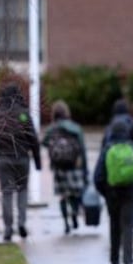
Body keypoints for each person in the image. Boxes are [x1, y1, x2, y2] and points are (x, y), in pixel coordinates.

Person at [93, 116, 133, 264]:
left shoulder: (107, 149)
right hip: (130, 195)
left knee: (114, 227)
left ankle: (114, 260)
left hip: (112, 195)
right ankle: (128, 262)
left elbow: (98, 177)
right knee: (128, 227)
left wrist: (106, 193)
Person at [0, 84, 41, 242]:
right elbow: (34, 139)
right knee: (22, 191)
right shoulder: (24, 114)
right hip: (22, 158)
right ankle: (22, 222)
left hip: (3, 159)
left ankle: (8, 227)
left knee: (7, 192)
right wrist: (37, 162)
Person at [41, 100, 88, 234]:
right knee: (75, 193)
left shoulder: (52, 128)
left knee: (62, 195)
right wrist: (85, 171)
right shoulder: (75, 128)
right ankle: (74, 212)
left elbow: (44, 142)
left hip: (58, 167)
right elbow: (82, 149)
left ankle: (65, 223)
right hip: (74, 166)